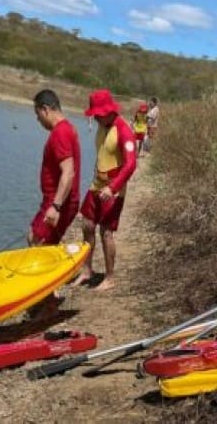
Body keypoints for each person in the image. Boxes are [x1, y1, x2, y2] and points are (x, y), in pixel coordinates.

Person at [70, 89, 137, 291]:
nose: (96, 118)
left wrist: (113, 187)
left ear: (108, 111)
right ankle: (87, 270)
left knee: (106, 232)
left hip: (114, 190)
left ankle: (109, 278)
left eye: (98, 114)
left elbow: (131, 164)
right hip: (97, 185)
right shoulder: (101, 126)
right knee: (87, 225)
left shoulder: (123, 130)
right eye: (95, 115)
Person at [26, 89, 81, 319]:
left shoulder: (60, 133)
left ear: (46, 109)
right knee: (36, 239)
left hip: (59, 202)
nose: (38, 120)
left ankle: (49, 303)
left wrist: (56, 206)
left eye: (38, 115)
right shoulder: (67, 129)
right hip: (57, 200)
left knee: (38, 244)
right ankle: (48, 296)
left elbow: (68, 172)